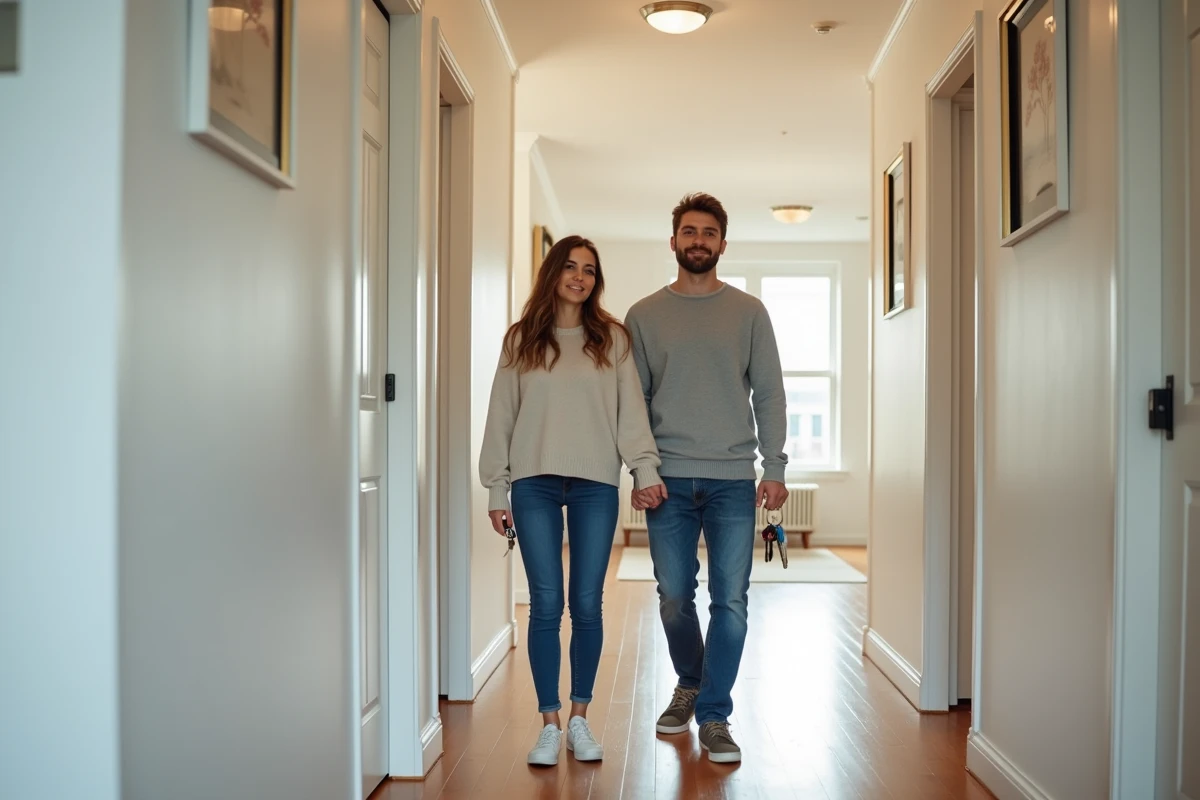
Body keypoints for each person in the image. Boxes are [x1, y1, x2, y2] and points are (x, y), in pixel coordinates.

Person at [479, 235, 664, 767]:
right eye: (570, 267)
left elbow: (632, 415)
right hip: (533, 482)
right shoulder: (521, 340)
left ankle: (580, 719)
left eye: (589, 269)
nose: (579, 277)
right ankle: (549, 723)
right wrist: (497, 485)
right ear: (553, 273)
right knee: (544, 603)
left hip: (594, 485)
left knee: (586, 602)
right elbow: (501, 416)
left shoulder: (612, 339)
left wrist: (643, 469)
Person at [625, 192, 788, 764]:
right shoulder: (644, 315)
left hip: (733, 481)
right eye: (689, 232)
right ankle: (690, 681)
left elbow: (768, 393)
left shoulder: (749, 313)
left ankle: (714, 713)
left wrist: (775, 466)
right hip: (666, 480)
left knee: (732, 601)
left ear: (722, 243)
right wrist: (642, 468)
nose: (698, 241)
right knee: (674, 598)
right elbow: (633, 402)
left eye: (709, 233)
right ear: (673, 242)